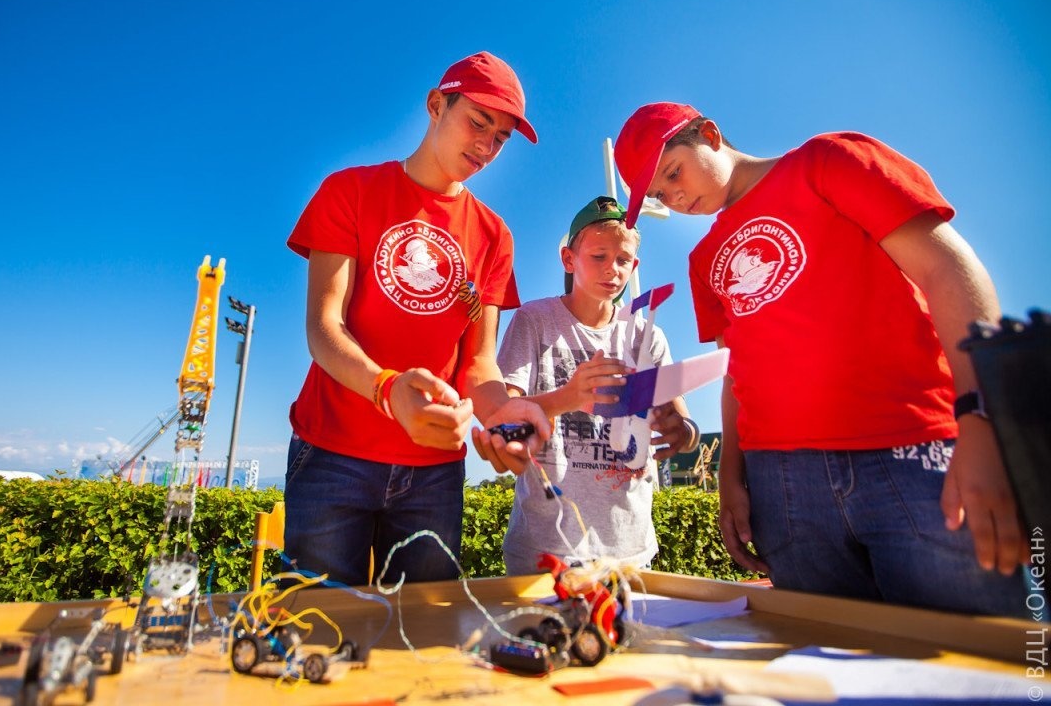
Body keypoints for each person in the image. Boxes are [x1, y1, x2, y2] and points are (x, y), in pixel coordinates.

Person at [611, 102, 1029, 617]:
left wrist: (981, 417)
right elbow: (735, 372)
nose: (673, 197)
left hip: (910, 450)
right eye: (659, 195)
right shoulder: (703, 261)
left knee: (985, 646)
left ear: (710, 135)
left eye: (673, 173)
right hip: (783, 486)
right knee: (823, 655)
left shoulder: (827, 161)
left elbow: (949, 268)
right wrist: (730, 477)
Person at [284, 51, 551, 586]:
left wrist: (503, 416)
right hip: (333, 456)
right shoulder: (348, 191)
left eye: (500, 138)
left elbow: (478, 363)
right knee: (316, 619)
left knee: (425, 627)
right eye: (478, 122)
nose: (486, 146)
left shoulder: (495, 236)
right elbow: (324, 328)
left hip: (434, 473)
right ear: (436, 105)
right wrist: (387, 389)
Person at [495, 195, 699, 575]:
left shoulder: (647, 336)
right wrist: (569, 396)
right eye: (599, 256)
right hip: (545, 549)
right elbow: (504, 417)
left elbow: (684, 424)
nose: (612, 269)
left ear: (634, 266)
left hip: (629, 549)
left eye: (623, 260)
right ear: (569, 259)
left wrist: (682, 432)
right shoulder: (534, 320)